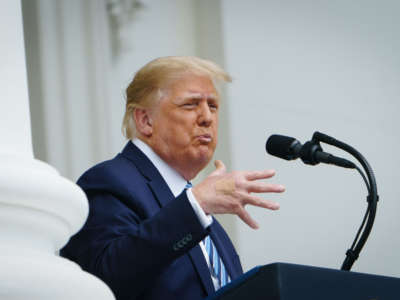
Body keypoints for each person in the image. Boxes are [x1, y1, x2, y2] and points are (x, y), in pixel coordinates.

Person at [61, 56, 285, 300]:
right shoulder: (110, 181)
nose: (207, 117)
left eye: (213, 106)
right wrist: (196, 205)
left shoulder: (204, 217)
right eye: (190, 105)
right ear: (146, 120)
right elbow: (103, 279)